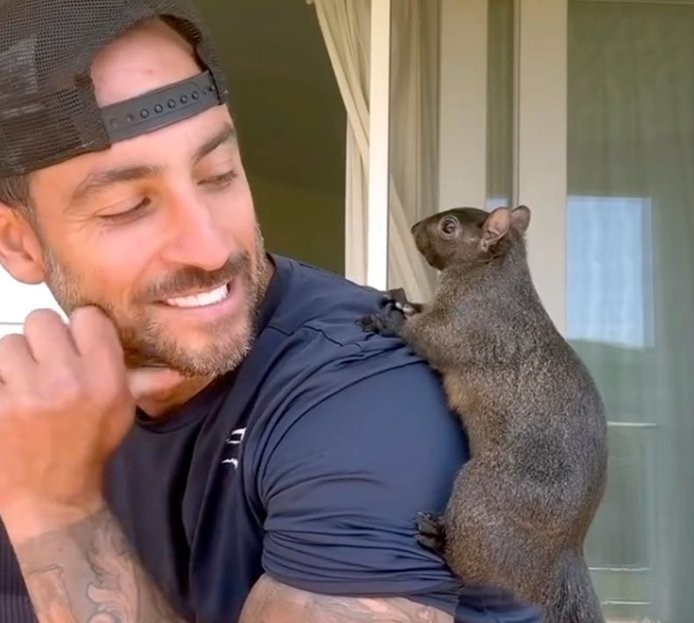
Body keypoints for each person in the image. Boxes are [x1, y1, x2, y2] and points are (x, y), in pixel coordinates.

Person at [0, 2, 542, 622]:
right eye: (128, 207)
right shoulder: (35, 420)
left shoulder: (363, 391)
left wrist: (54, 507)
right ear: (20, 244)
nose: (210, 248)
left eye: (218, 174)